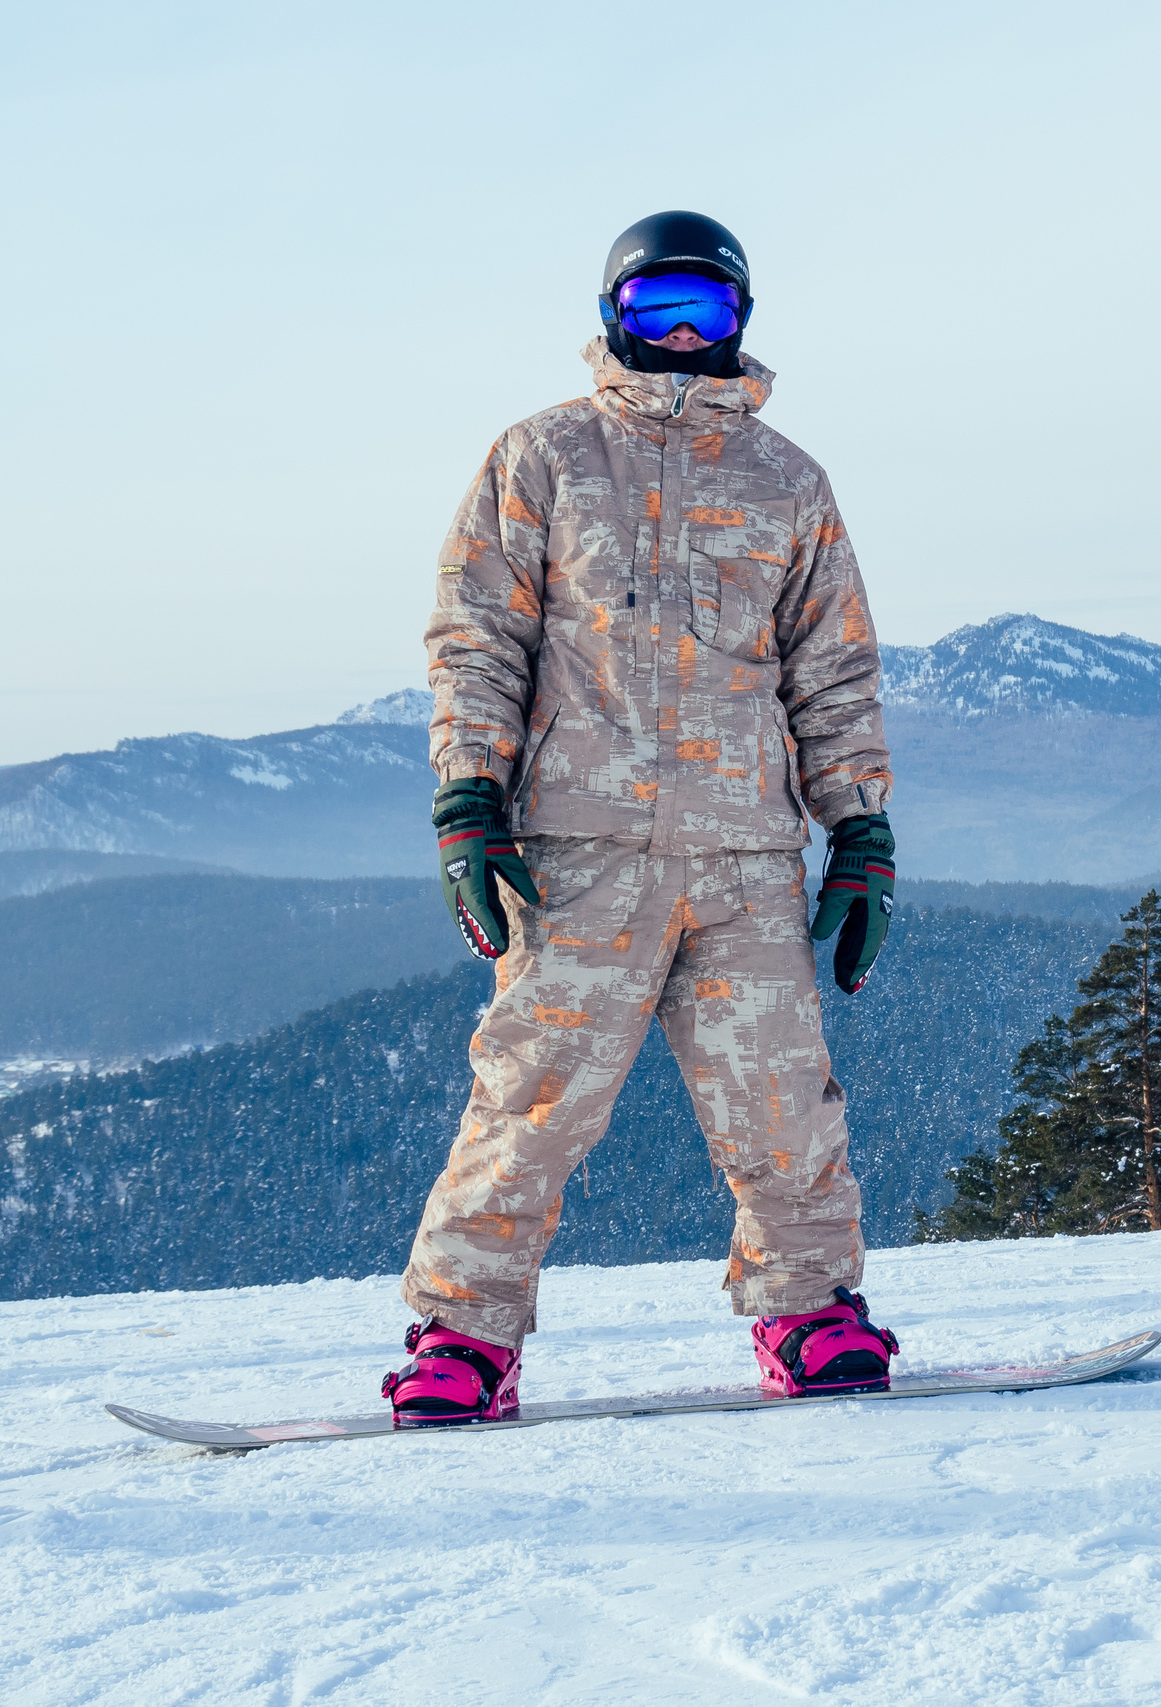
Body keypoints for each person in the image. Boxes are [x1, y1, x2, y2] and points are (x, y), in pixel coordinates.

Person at [380, 211, 901, 1427]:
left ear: (740, 323)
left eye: (704, 312)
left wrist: (860, 832)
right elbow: (478, 639)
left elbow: (834, 672)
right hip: (576, 849)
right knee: (528, 1102)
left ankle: (810, 1311)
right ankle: (463, 1337)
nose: (678, 335)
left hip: (744, 853)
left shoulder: (787, 483)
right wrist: (468, 799)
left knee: (782, 1101)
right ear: (612, 315)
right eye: (656, 308)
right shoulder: (544, 457)